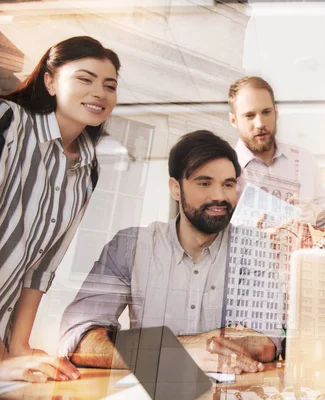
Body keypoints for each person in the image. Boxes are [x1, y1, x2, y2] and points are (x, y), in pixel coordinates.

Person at [58, 130, 278, 374]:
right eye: (204, 183)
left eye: (228, 184)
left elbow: (268, 342)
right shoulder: (130, 246)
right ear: (175, 188)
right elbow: (79, 340)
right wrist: (178, 351)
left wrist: (167, 348)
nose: (219, 196)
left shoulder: (254, 247)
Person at [0, 36, 120, 382]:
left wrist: (19, 346)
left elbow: (41, 268)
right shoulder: (9, 123)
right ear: (49, 81)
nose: (99, 92)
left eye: (109, 85)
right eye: (85, 79)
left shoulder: (87, 169)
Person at [228, 76, 325, 229]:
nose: (260, 124)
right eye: (249, 115)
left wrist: (316, 215)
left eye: (266, 112)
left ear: (276, 113)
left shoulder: (304, 159)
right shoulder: (225, 168)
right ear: (233, 120)